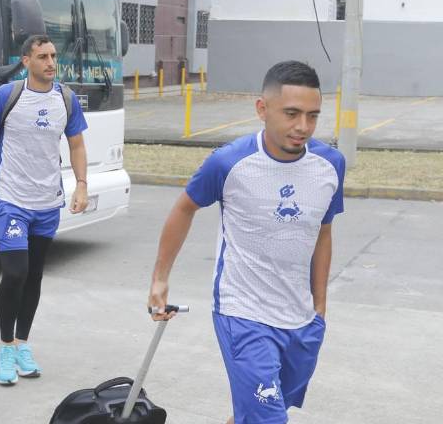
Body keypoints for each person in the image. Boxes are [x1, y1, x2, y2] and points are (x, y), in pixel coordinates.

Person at [148, 61, 345, 424]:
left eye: (313, 116)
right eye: (291, 113)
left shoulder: (330, 165)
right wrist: (160, 277)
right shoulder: (229, 162)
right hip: (243, 314)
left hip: (301, 319)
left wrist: (320, 307)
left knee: (260, 411)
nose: (303, 126)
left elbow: (323, 232)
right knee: (268, 419)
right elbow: (184, 208)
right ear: (262, 109)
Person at [0, 35, 89, 385]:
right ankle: (4, 348)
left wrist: (82, 185)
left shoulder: (67, 99)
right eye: (42, 56)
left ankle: (22, 344)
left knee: (34, 276)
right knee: (15, 273)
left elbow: (76, 145)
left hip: (47, 202)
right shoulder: (7, 96)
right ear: (26, 60)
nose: (50, 62)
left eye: (53, 56)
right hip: (11, 200)